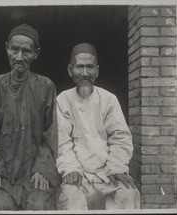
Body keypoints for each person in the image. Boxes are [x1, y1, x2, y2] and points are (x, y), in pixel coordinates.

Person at [0, 23, 60, 210]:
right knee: (0, 204)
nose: (19, 57)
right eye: (15, 49)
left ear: (36, 53)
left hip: (34, 173)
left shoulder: (46, 86)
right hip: (3, 173)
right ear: (7, 49)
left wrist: (42, 169)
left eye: (26, 51)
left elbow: (52, 134)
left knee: (39, 204)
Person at [56, 43, 140, 210]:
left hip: (107, 172)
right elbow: (62, 141)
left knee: (128, 192)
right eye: (80, 67)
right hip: (78, 173)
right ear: (70, 70)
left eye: (90, 67)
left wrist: (117, 167)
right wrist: (71, 168)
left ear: (97, 70)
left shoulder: (109, 99)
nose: (85, 73)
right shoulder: (63, 100)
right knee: (71, 197)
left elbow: (120, 138)